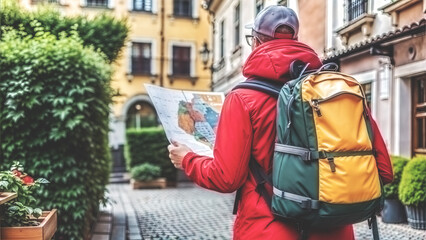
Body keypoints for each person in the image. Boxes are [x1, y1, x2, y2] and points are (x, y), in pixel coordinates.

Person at [168, 5, 393, 240]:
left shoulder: (242, 99)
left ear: (255, 42)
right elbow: (384, 171)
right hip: (335, 232)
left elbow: (225, 178)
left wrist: (188, 159)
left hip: (268, 230)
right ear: (295, 39)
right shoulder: (337, 92)